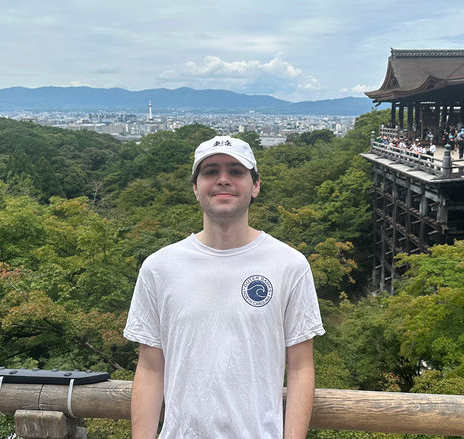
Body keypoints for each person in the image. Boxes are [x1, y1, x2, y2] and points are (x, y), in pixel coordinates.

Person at [124, 135, 325, 438]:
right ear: (195, 188)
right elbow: (151, 368)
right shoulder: (159, 267)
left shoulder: (289, 265)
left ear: (255, 185)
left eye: (235, 171)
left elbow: (300, 367)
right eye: (210, 171)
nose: (223, 180)